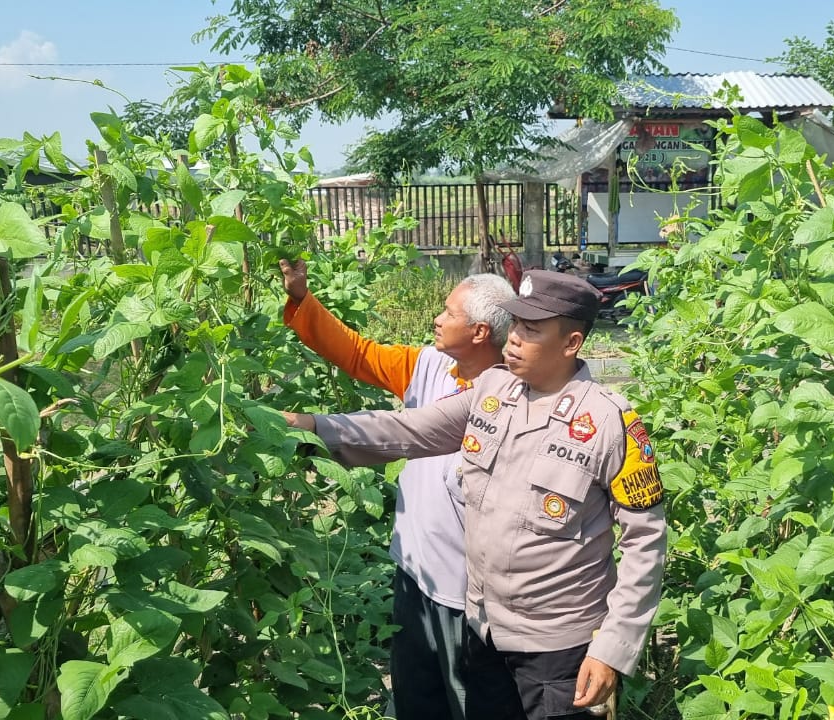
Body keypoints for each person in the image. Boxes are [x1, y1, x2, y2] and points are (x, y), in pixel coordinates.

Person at [284, 270, 667, 720]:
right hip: (485, 634)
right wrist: (313, 427)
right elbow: (407, 430)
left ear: (571, 343)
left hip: (560, 651)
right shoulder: (492, 391)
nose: (516, 338)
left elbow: (645, 545)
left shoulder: (609, 424)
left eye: (532, 329)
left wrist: (611, 649)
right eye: (517, 323)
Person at [279, 258, 517, 720]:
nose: (437, 319)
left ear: (480, 332)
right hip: (414, 571)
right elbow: (356, 353)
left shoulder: (512, 397)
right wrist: (301, 299)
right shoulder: (428, 365)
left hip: (468, 592)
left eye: (449, 313)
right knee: (415, 696)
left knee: (470, 701)